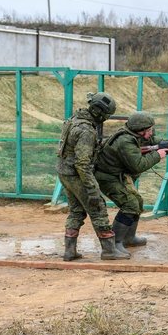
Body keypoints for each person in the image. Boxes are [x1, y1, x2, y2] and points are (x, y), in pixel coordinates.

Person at [94, 111, 168, 254]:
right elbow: (138, 165)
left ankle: (129, 238)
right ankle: (114, 244)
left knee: (137, 203)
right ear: (141, 130)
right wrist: (157, 155)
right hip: (108, 177)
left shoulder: (135, 135)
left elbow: (157, 143)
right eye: (150, 130)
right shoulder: (125, 141)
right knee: (130, 205)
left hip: (117, 175)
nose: (151, 133)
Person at [56, 92, 130, 261]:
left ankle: (70, 251)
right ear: (99, 112)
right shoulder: (87, 130)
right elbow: (82, 164)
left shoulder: (75, 119)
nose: (105, 119)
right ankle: (109, 250)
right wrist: (92, 189)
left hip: (64, 172)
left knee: (76, 211)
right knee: (98, 208)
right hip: (76, 174)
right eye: (105, 115)